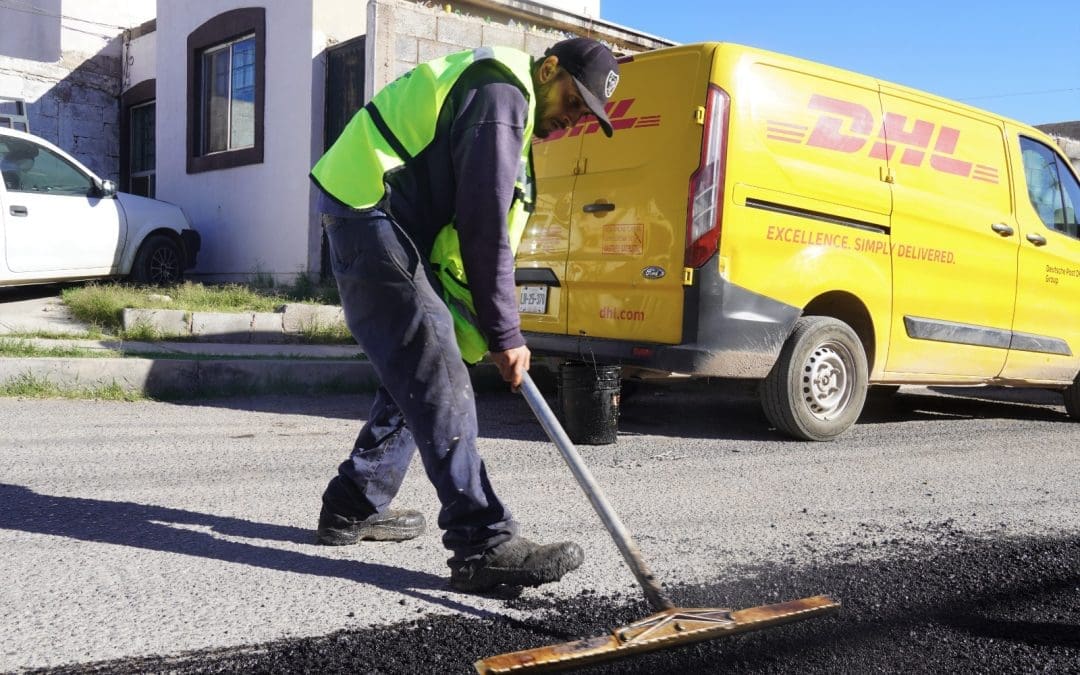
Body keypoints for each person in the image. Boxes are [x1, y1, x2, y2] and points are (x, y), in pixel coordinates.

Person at [309, 37, 620, 593]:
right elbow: (483, 225)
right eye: (574, 103)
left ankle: (353, 503)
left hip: (382, 217)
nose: (573, 121)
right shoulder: (502, 96)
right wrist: (505, 333)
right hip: (369, 209)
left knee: (423, 361)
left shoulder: (507, 102)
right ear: (549, 69)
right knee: (439, 371)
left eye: (585, 117)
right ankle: (483, 541)